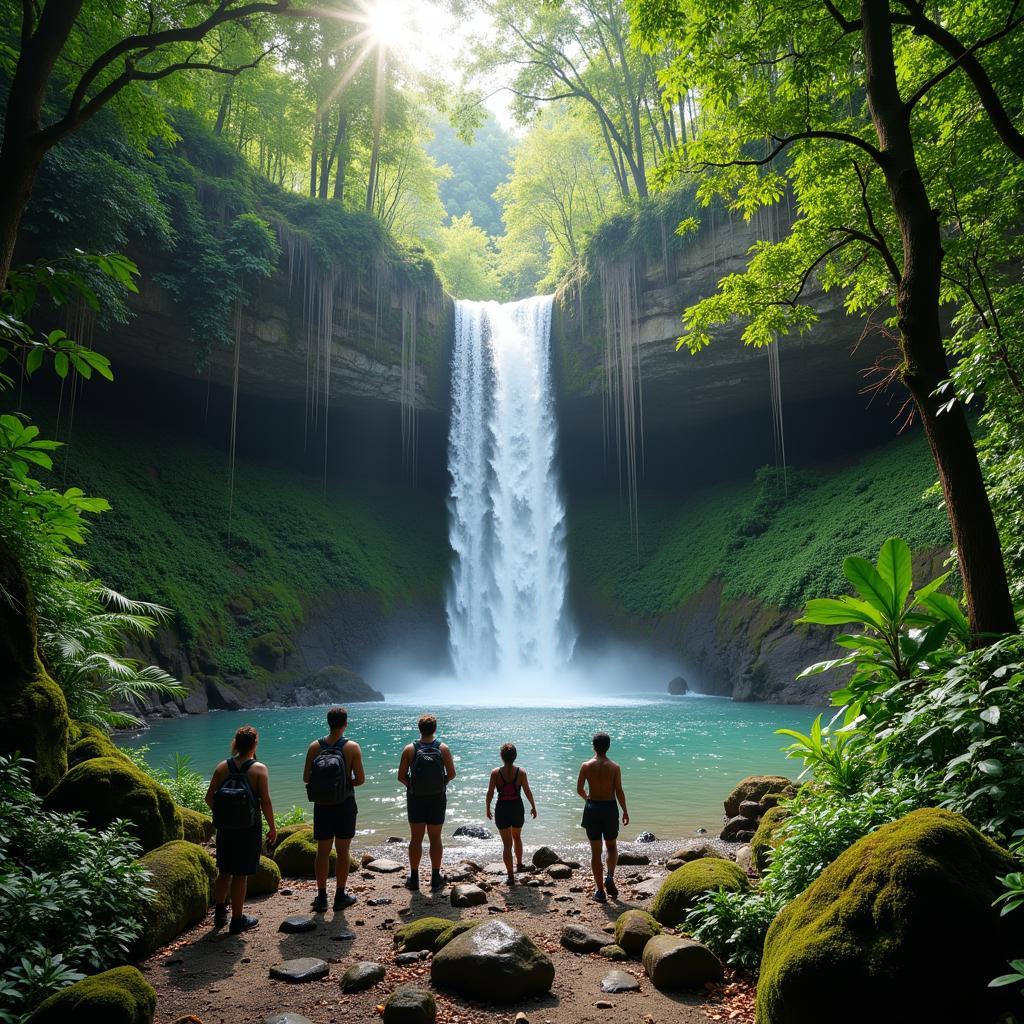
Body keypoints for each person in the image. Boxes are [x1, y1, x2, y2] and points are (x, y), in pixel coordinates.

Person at [206, 725, 276, 934]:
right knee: (240, 875)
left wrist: (225, 815)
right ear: (255, 744)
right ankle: (237, 920)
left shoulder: (222, 767)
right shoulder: (259, 769)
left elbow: (209, 798)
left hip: (226, 828)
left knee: (224, 871)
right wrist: (272, 827)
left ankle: (220, 914)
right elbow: (265, 802)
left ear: (235, 744)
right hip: (248, 829)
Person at [303, 705, 365, 913]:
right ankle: (340, 895)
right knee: (343, 850)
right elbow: (361, 779)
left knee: (322, 851)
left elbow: (305, 778)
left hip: (322, 806)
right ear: (345, 723)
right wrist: (345, 784)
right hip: (345, 804)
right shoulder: (352, 747)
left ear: (328, 723)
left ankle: (321, 897)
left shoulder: (314, 747)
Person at [398, 714, 456, 892]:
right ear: (435, 729)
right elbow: (452, 773)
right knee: (435, 838)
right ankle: (435, 877)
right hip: (437, 798)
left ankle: (414, 878)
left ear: (419, 729)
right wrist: (441, 784)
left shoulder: (410, 749)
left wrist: (413, 786)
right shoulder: (443, 748)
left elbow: (401, 776)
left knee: (416, 838)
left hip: (416, 798)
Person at [576, 731, 629, 903]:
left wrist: (587, 798)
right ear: (608, 747)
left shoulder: (586, 766)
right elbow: (619, 791)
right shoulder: (614, 767)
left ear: (593, 746)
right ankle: (610, 876)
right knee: (612, 846)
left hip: (593, 808)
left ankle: (600, 892)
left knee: (596, 851)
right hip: (609, 808)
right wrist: (625, 810)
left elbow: (580, 789)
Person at [486, 742, 537, 885]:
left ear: (501, 756)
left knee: (506, 844)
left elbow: (490, 792)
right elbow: (527, 790)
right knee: (517, 837)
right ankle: (519, 864)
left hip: (502, 808)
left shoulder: (496, 773)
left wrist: (487, 807)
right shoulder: (521, 772)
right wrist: (533, 806)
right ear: (515, 756)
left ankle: (510, 876)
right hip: (516, 808)